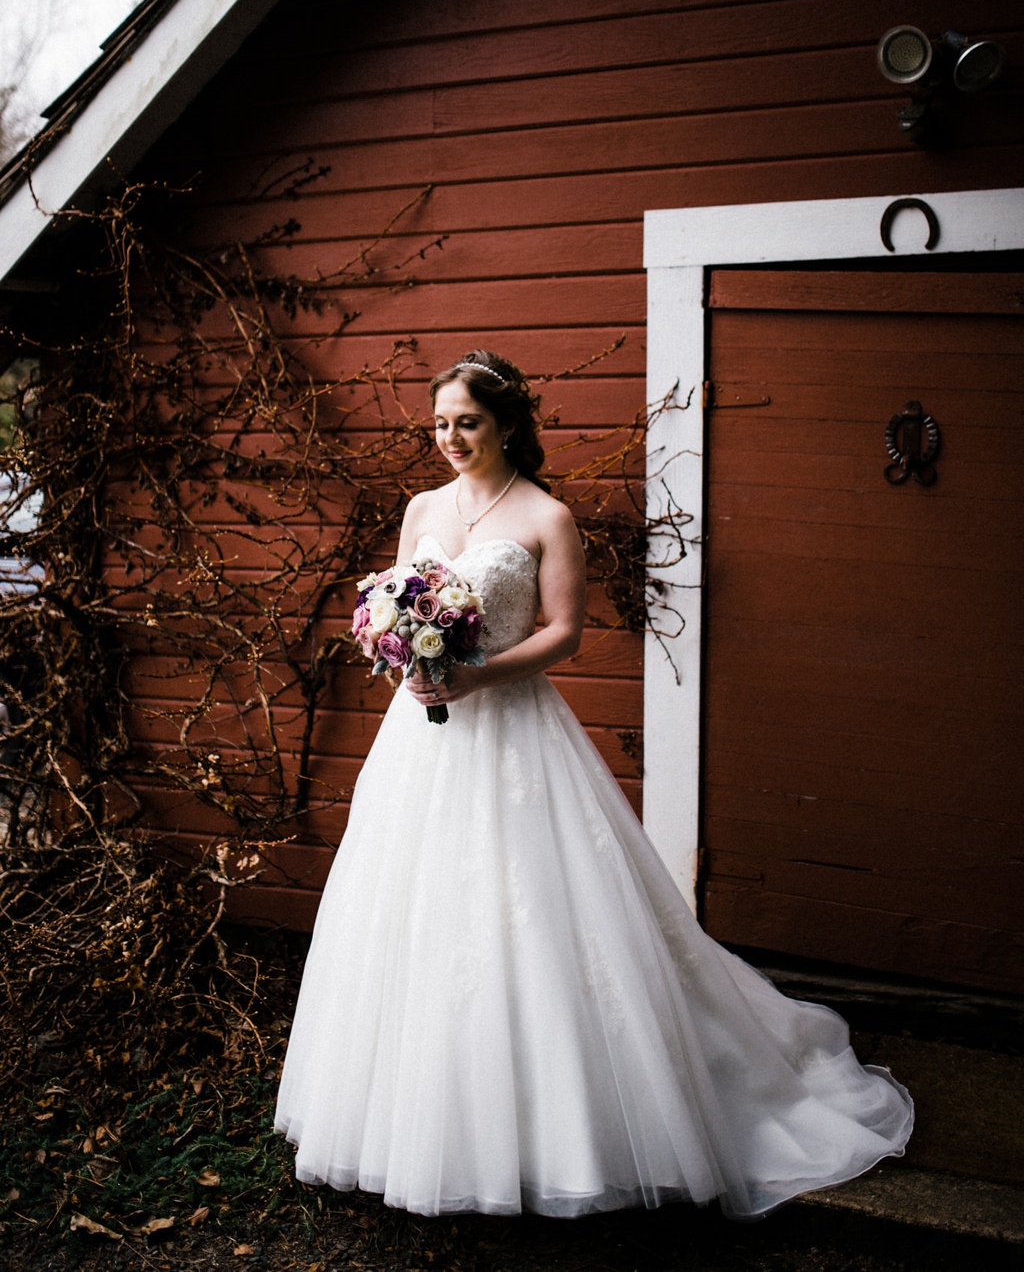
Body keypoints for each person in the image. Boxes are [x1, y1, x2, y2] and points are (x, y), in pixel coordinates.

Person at [275, 350, 913, 1220]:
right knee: (412, 911)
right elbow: (394, 604)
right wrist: (405, 666)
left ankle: (563, 1129)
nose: (451, 439)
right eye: (439, 424)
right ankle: (409, 1119)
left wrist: (476, 675)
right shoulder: (422, 507)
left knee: (531, 914)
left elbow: (565, 633)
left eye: (466, 421)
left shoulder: (547, 516)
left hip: (512, 731)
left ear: (505, 424)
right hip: (421, 742)